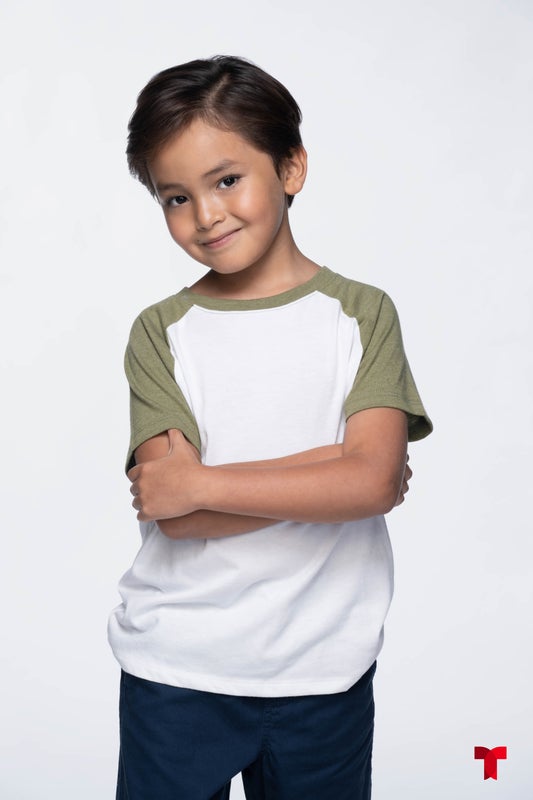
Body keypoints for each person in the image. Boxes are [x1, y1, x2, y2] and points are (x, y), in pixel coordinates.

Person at [108, 55, 432, 800]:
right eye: (175, 198)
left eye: (227, 180)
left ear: (291, 168)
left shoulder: (362, 315)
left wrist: (207, 482)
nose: (205, 215)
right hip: (175, 669)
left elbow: (371, 483)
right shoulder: (161, 332)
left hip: (325, 673)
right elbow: (174, 511)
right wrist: (334, 467)